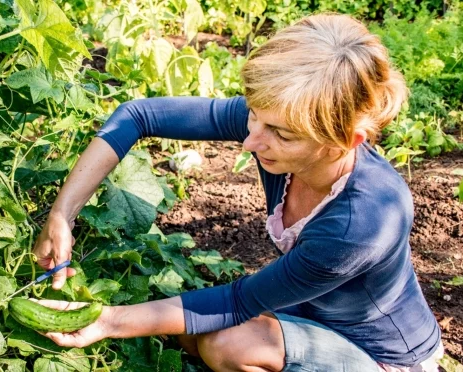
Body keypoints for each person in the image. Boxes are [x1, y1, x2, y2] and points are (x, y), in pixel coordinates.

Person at [31, 14, 444, 372]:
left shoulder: (361, 223)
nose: (251, 141)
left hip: (378, 353)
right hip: (309, 309)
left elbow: (237, 301)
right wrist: (61, 215)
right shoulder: (276, 127)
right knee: (193, 336)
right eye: (253, 117)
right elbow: (139, 114)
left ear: (344, 141)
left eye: (280, 134)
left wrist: (107, 322)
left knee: (226, 344)